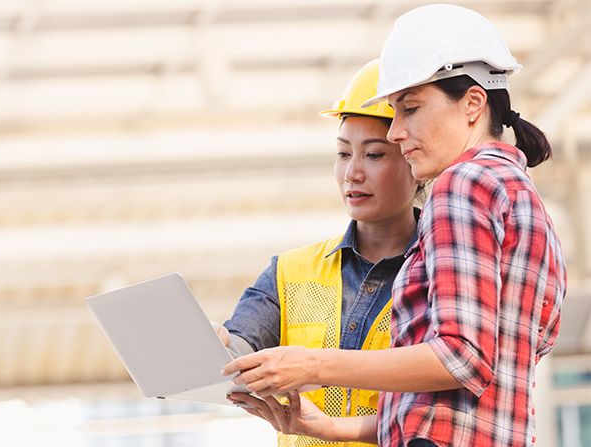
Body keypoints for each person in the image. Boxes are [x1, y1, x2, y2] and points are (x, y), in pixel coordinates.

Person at [222, 5, 567, 447]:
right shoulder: (522, 197)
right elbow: (465, 392)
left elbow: (462, 357)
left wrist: (313, 366)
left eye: (410, 109)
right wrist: (327, 427)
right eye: (344, 152)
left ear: (473, 104)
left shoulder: (460, 185)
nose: (398, 131)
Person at [213, 59, 422, 447]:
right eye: (343, 154)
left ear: (416, 159)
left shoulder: (439, 271)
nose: (352, 174)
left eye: (373, 154)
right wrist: (218, 348)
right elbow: (242, 345)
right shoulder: (289, 272)